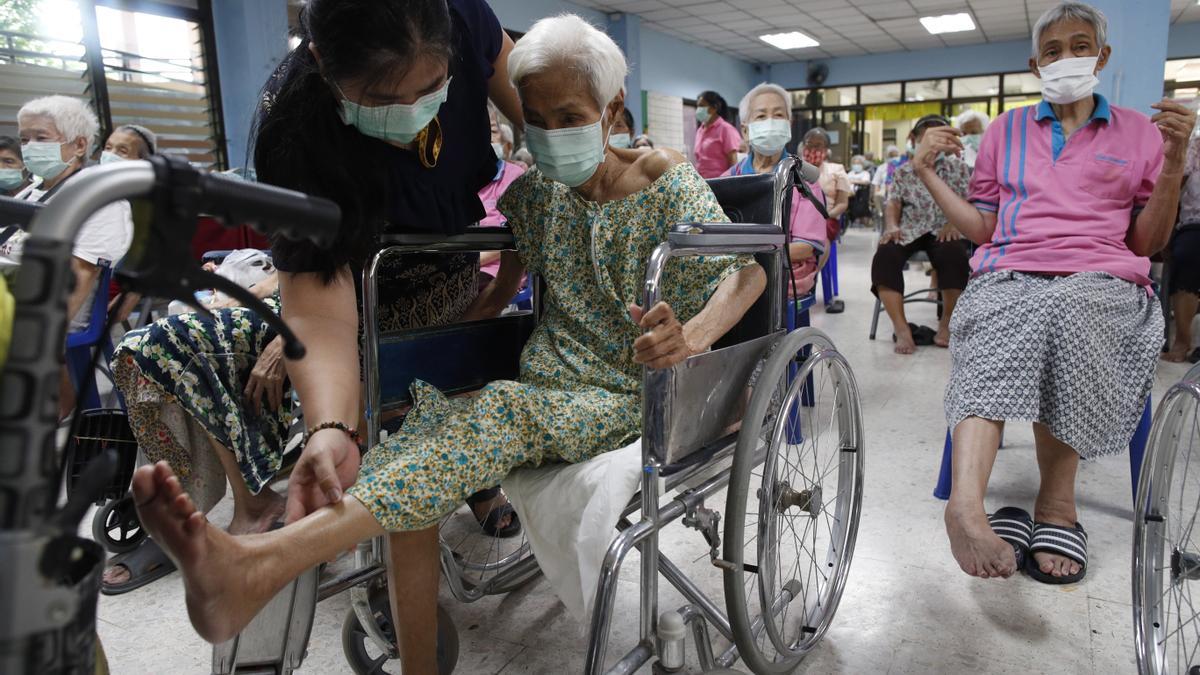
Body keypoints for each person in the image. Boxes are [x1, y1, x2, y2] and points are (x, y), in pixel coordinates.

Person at [131, 14, 766, 674]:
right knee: (422, 436)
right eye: (536, 119)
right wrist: (476, 318)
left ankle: (268, 561)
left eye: (568, 116)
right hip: (543, 385)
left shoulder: (667, 181)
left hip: (625, 391)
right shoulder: (537, 197)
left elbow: (746, 271)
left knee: (498, 414)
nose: (549, 135)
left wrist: (688, 337)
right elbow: (513, 270)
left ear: (610, 113)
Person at [113, 0, 528, 600]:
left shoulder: (463, 16)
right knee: (391, 433)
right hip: (349, 292)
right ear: (321, 64)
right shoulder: (295, 132)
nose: (411, 112)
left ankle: (270, 555)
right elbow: (319, 312)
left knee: (441, 421)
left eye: (433, 87)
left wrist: (511, 282)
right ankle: (266, 537)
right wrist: (330, 425)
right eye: (382, 101)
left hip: (447, 280)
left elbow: (551, 114)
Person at [916, 1, 1195, 583]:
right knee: (993, 311)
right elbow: (985, 229)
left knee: (1069, 311)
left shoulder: (1141, 133)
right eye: (1052, 51)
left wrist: (1172, 165)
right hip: (1012, 268)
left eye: (1080, 45)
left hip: (1101, 277)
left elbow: (1147, 240)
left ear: (1103, 55)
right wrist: (926, 174)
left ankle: (1056, 504)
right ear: (1035, 64)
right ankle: (966, 505)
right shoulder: (1006, 130)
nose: (1067, 58)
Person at [873, 115, 972, 354]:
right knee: (885, 255)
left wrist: (954, 222)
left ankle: (946, 324)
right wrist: (891, 226)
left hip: (943, 228)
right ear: (916, 140)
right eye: (927, 138)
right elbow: (893, 203)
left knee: (954, 255)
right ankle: (902, 329)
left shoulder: (958, 169)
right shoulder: (903, 172)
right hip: (911, 228)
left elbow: (970, 200)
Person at [724, 82, 827, 297]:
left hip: (785, 270)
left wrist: (750, 255)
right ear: (745, 130)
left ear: (788, 125)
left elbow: (806, 247)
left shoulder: (805, 180)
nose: (770, 122)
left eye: (778, 115)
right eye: (761, 116)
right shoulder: (728, 180)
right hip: (735, 271)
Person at [478, 103, 526, 286]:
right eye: (477, 129)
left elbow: (516, 236)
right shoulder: (454, 179)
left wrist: (472, 261)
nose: (486, 137)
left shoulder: (515, 177)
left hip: (497, 273)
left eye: (492, 130)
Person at [1164, 130, 1200, 362]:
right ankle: (1182, 342)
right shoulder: (1194, 147)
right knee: (1187, 253)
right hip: (1194, 224)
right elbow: (1174, 186)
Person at [692, 90, 740, 178]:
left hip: (720, 183)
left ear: (714, 108)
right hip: (702, 183)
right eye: (697, 106)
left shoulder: (726, 129)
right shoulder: (700, 131)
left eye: (702, 106)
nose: (698, 109)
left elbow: (733, 163)